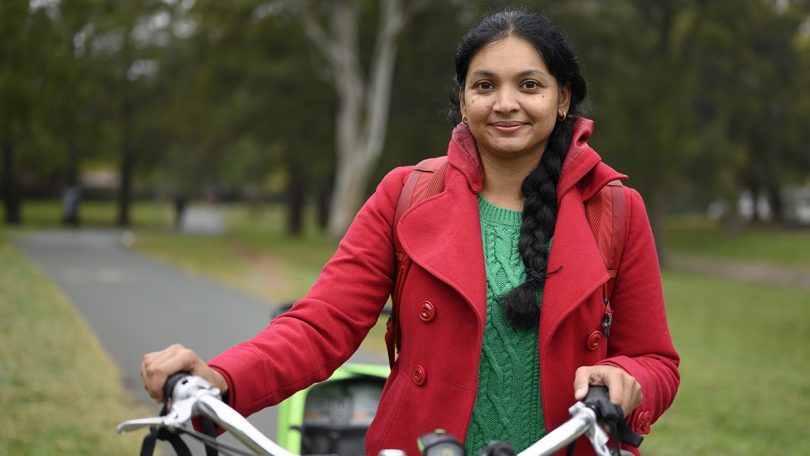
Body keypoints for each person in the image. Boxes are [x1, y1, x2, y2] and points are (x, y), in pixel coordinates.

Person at [141, 7, 679, 455]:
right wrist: (220, 378)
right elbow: (320, 323)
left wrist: (628, 379)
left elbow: (656, 361)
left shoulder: (616, 209)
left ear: (563, 100)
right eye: (485, 85)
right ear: (463, 100)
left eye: (529, 85)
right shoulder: (405, 195)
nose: (505, 103)